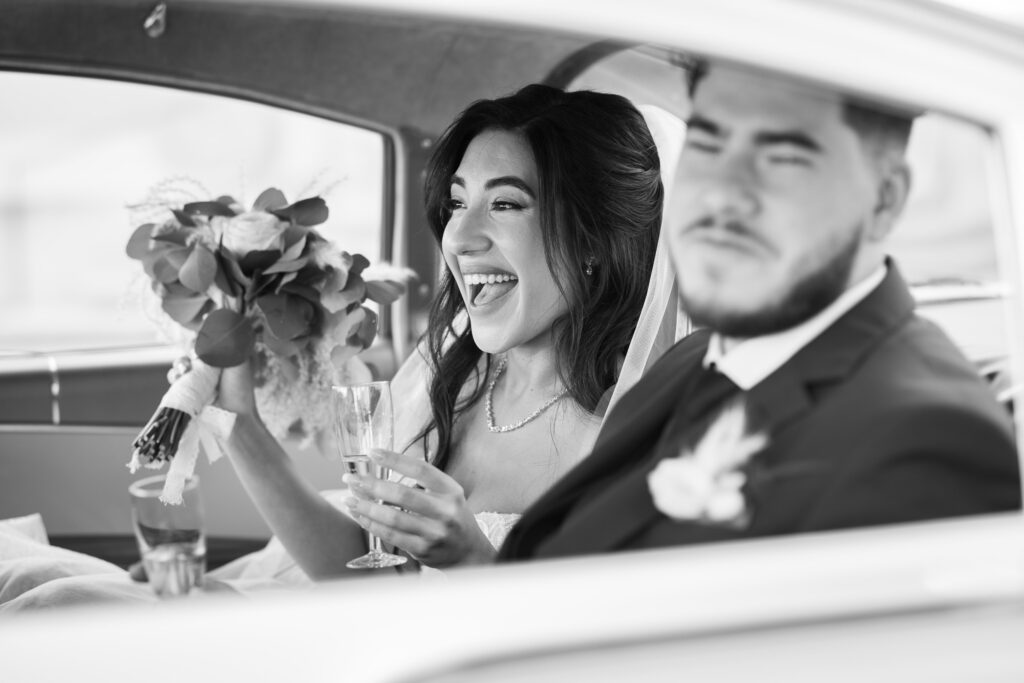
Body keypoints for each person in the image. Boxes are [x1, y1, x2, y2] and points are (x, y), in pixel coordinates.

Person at [0, 83, 674, 608]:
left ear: (592, 243)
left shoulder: (638, 435)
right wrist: (237, 419)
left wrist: (472, 558)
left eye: (505, 204)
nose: (459, 239)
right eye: (457, 202)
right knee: (52, 597)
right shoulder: (453, 376)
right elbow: (357, 571)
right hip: (340, 635)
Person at [498, 61, 1022, 561]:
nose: (721, 196)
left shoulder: (927, 442)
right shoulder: (689, 359)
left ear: (884, 201)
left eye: (783, 158)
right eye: (708, 143)